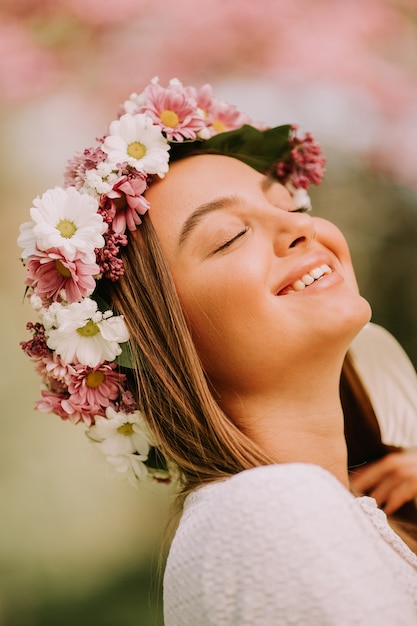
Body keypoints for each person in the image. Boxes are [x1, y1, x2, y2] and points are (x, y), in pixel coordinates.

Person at [18, 77, 417, 624]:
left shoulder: (309, 512)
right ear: (160, 338)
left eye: (288, 205)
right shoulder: (269, 512)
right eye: (230, 236)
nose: (300, 228)